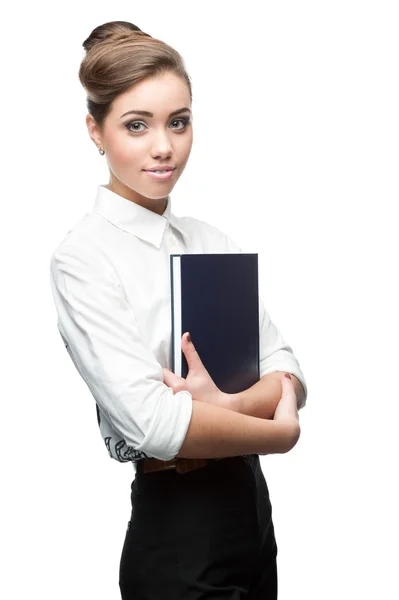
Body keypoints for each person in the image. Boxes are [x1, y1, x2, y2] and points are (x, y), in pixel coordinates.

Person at [49, 20, 308, 599]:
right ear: (95, 129)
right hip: (177, 531)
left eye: (179, 122)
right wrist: (277, 431)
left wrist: (229, 405)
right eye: (136, 125)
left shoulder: (209, 240)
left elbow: (289, 368)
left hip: (250, 515)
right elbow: (156, 425)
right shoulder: (83, 259)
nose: (163, 146)